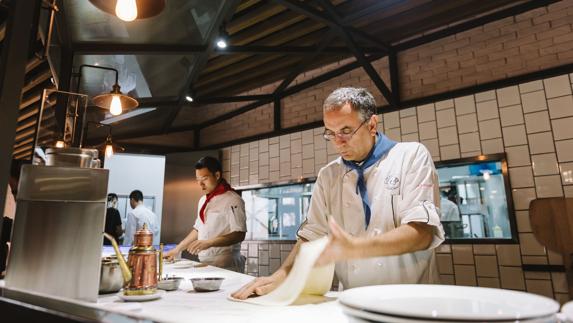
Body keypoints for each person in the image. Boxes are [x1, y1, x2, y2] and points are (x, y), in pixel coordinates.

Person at [233, 87, 445, 299]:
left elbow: (423, 233)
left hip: (411, 300)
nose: (338, 142)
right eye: (330, 133)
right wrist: (281, 276)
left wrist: (356, 248)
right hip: (353, 300)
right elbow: (311, 235)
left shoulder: (410, 156)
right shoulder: (328, 175)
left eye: (346, 131)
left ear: (371, 125)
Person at [164, 156, 246, 273]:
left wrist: (209, 242)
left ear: (217, 175)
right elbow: (198, 229)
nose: (200, 184)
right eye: (198, 180)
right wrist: (177, 249)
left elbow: (239, 234)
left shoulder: (233, 200)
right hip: (205, 263)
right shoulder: (203, 200)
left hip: (227, 265)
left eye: (204, 178)